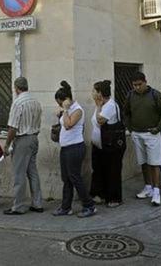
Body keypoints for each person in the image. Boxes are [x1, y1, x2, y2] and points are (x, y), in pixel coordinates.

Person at [50, 81, 96, 218]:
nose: (59, 105)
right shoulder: (68, 110)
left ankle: (89, 205)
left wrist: (64, 111)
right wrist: (61, 112)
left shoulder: (77, 110)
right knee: (66, 178)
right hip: (65, 148)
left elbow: (69, 124)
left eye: (59, 102)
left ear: (66, 100)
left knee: (75, 178)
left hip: (75, 148)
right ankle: (66, 207)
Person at [123, 72, 161, 207]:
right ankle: (148, 187)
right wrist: (130, 128)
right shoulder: (130, 95)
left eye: (139, 84)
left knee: (154, 163)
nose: (137, 87)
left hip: (152, 133)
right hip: (137, 133)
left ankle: (156, 191)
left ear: (145, 82)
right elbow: (126, 113)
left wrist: (157, 129)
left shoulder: (155, 95)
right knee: (143, 162)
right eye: (134, 85)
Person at [3, 77, 43, 215]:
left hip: (23, 139)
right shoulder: (35, 101)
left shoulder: (18, 102)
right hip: (34, 138)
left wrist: (7, 144)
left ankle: (18, 206)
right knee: (32, 172)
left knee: (19, 173)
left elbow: (13, 127)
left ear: (16, 88)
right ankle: (37, 203)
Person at [89, 80, 125, 208]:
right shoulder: (101, 104)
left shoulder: (109, 105)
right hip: (100, 145)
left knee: (112, 171)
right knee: (99, 170)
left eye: (94, 91)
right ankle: (100, 194)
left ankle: (114, 198)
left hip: (112, 146)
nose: (92, 93)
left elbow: (100, 121)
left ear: (100, 93)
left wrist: (98, 106)